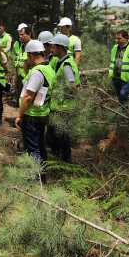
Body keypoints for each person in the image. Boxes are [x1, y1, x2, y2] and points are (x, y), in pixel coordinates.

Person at [14, 40, 56, 183]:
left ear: (32, 55)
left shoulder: (37, 72)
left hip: (31, 116)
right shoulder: (48, 69)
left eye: (27, 56)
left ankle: (35, 180)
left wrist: (19, 115)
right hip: (42, 114)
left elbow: (28, 97)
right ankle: (42, 177)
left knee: (33, 149)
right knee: (40, 146)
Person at [47, 34, 80, 162]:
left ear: (60, 47)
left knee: (63, 136)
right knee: (56, 134)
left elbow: (72, 87)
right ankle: (56, 156)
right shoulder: (60, 62)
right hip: (58, 106)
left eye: (54, 47)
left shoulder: (66, 65)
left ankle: (66, 161)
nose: (51, 50)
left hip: (63, 108)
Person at [13, 25, 33, 99]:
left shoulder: (34, 45)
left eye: (22, 34)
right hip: (21, 75)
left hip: (30, 75)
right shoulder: (22, 46)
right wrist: (16, 75)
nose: (21, 36)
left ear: (29, 34)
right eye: (20, 35)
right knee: (21, 97)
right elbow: (19, 62)